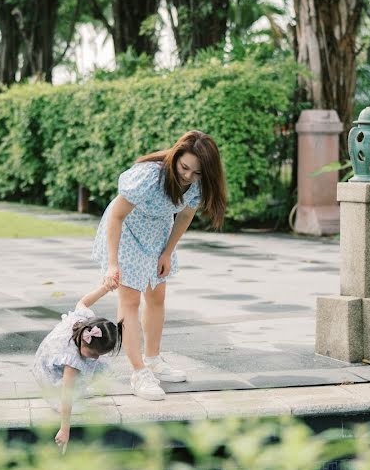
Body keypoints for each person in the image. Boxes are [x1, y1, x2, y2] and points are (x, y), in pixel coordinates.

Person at [93, 130, 227, 401]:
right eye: (184, 167)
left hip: (157, 235)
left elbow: (185, 216)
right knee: (129, 301)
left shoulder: (197, 184)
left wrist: (167, 252)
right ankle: (138, 372)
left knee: (157, 297)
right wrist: (112, 263)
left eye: (197, 173)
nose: (188, 176)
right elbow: (116, 217)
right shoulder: (149, 176)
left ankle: (152, 359)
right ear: (176, 156)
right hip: (127, 232)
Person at [32, 283, 123, 453]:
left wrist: (104, 288)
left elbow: (84, 301)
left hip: (45, 358)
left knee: (95, 365)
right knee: (81, 376)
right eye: (94, 352)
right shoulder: (73, 361)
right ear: (86, 340)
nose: (96, 357)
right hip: (49, 375)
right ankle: (56, 400)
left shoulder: (83, 322)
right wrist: (65, 428)